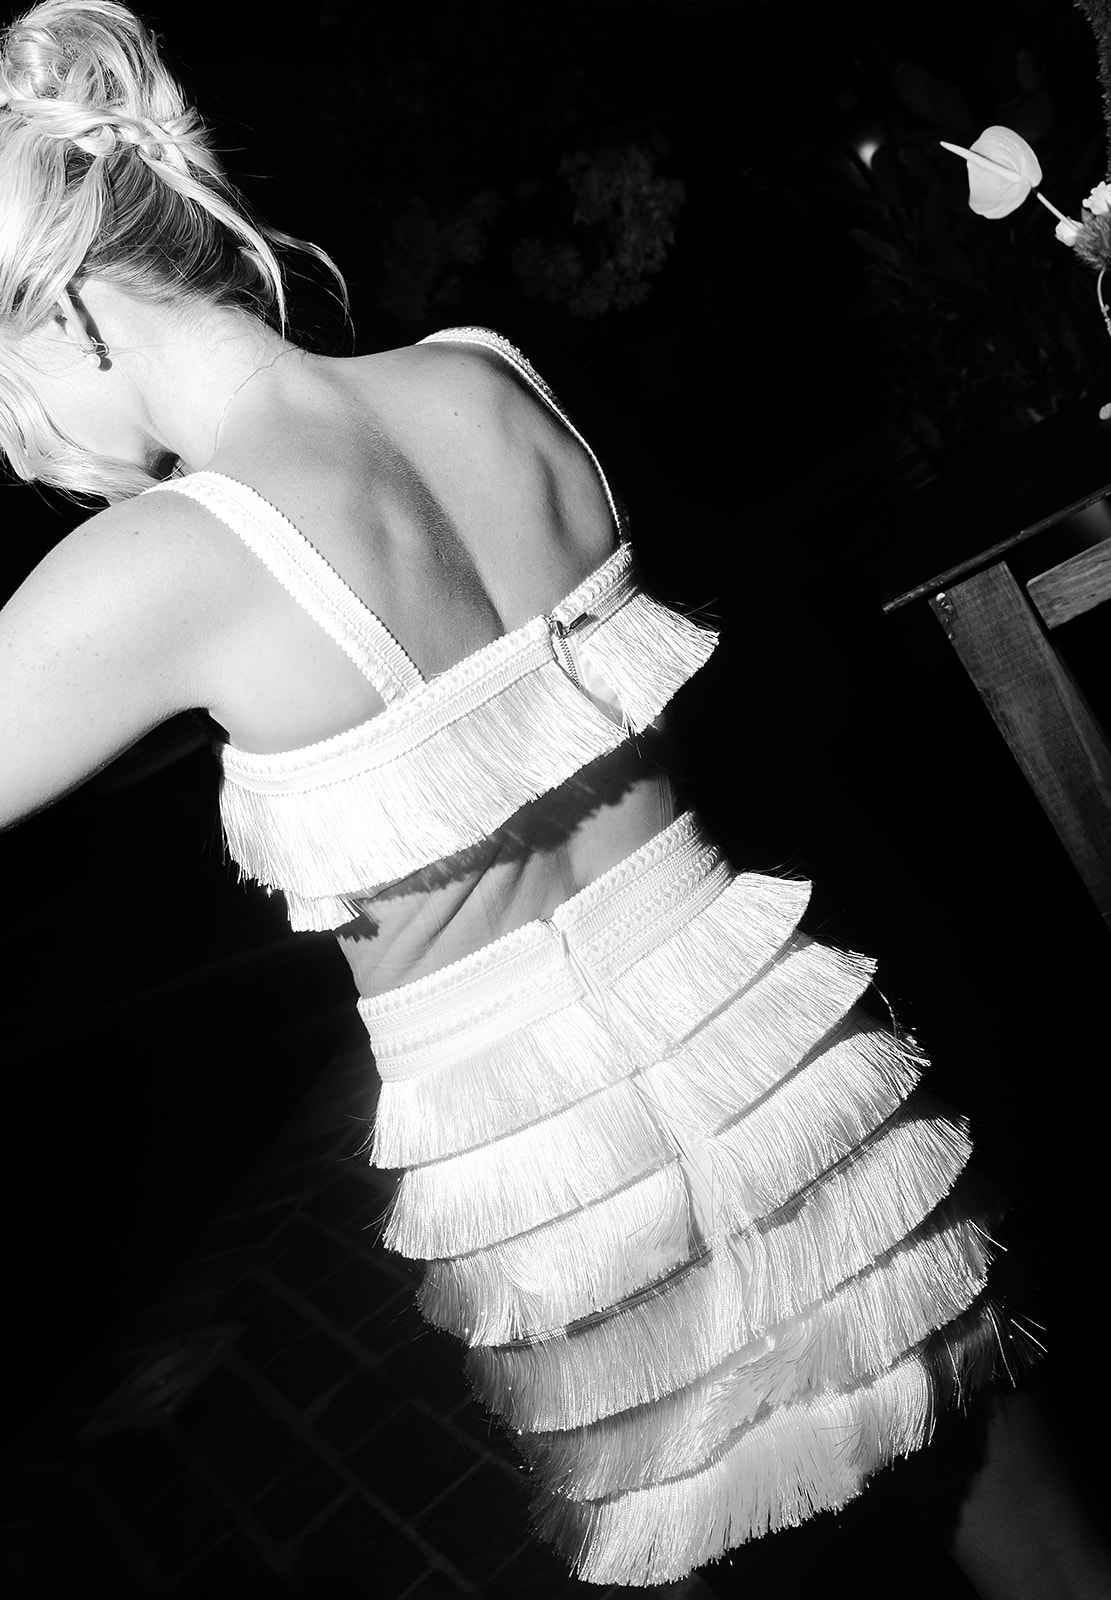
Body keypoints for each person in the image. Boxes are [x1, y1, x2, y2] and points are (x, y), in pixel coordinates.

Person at [0, 3, 1104, 1596]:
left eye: (10, 390)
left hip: (562, 1177)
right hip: (778, 1040)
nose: (35, 455)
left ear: (79, 318)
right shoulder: (489, 378)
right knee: (1051, 1545)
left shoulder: (160, 566)